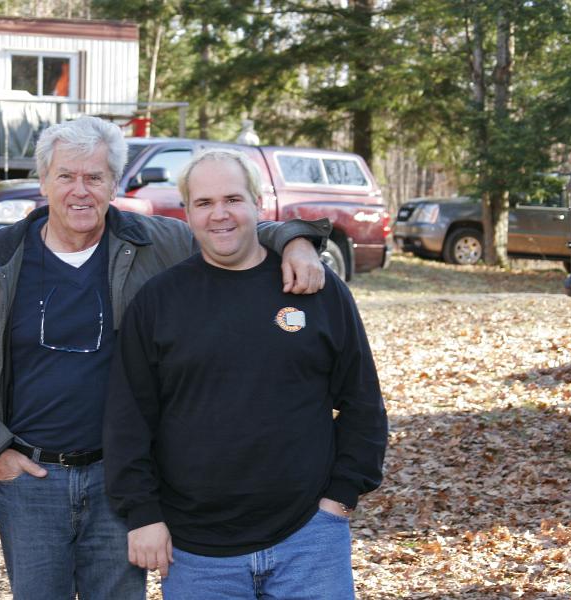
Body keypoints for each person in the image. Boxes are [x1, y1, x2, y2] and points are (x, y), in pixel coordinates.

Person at [0, 117, 329, 600]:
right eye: (66, 176)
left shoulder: (156, 244)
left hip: (121, 481)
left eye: (95, 177)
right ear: (43, 181)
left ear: (114, 183)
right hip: (31, 480)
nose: (80, 191)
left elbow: (229, 227)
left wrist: (295, 240)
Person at [104, 148, 388, 599]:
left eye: (233, 199)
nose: (220, 214)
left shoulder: (314, 287)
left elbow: (363, 402)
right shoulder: (158, 302)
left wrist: (340, 498)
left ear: (258, 203)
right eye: (204, 203)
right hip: (197, 552)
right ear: (187, 212)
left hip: (308, 540)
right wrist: (142, 513)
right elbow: (128, 419)